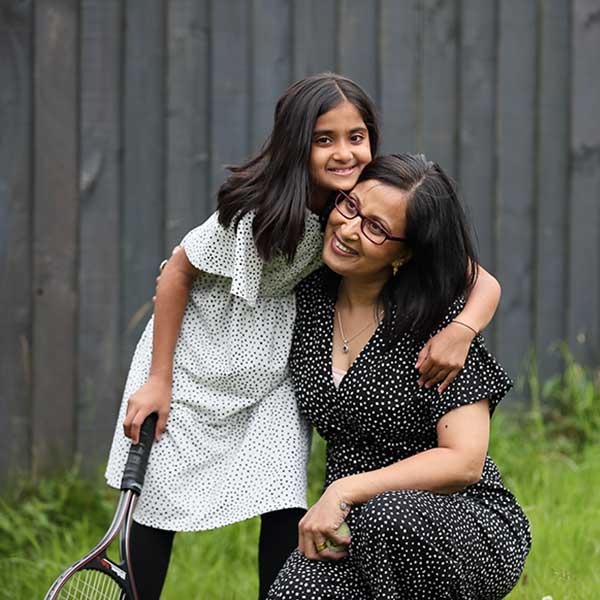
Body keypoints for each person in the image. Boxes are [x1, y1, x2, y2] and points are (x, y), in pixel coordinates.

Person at [105, 75, 502, 600]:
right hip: (195, 360)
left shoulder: (375, 220)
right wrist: (159, 379)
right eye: (324, 139)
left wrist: (462, 328)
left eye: (356, 137)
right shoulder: (259, 213)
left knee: (283, 493)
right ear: (297, 142)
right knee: (158, 499)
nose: (344, 154)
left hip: (276, 374)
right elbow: (174, 274)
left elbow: (479, 277)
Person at [267, 153, 531, 600]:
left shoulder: (439, 321)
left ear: (405, 253)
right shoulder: (307, 298)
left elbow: (464, 461)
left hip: (457, 524)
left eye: (376, 228)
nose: (350, 229)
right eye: (350, 206)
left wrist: (346, 490)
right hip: (358, 530)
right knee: (295, 591)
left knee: (391, 515)